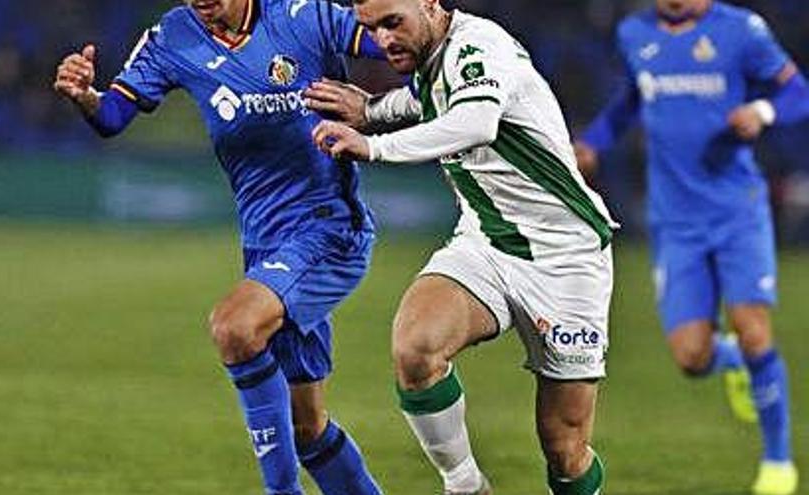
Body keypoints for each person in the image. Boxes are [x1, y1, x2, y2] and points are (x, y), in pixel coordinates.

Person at [53, 1, 387, 494]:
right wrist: (85, 95)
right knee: (306, 430)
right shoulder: (174, 35)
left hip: (328, 228)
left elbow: (395, 38)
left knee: (235, 326)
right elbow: (112, 115)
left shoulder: (303, 14)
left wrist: (383, 108)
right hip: (264, 242)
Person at [305, 0, 617, 492]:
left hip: (566, 258)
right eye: (373, 29)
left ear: (430, 5)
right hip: (486, 243)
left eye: (393, 22)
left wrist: (376, 145)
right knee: (416, 348)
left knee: (565, 447)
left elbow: (475, 122)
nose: (384, 41)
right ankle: (466, 485)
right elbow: (426, 99)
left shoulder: (478, 46)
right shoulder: (433, 61)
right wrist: (370, 110)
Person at [573, 1, 809, 494]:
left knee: (754, 327)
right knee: (690, 357)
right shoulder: (634, 33)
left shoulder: (741, 30)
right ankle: (738, 361)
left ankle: (778, 462)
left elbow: (797, 91)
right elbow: (634, 99)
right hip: (675, 221)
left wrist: (762, 111)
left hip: (736, 211)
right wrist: (594, 141)